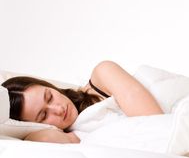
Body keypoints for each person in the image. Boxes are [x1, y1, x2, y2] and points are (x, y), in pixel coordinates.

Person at [2, 60, 163, 143]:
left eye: (49, 96)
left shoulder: (102, 75)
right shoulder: (67, 136)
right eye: (43, 115)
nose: (57, 109)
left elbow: (156, 124)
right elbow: (42, 140)